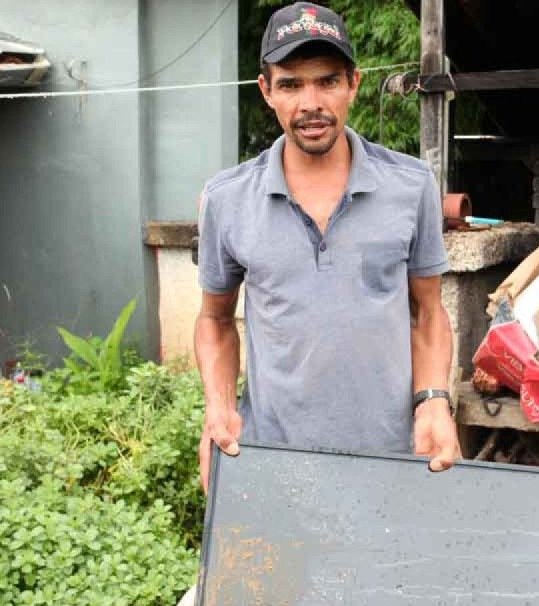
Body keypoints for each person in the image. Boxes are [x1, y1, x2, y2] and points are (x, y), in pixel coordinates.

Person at [194, 1, 461, 488]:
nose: (310, 103)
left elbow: (427, 313)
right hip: (271, 460)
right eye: (291, 84)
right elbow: (214, 321)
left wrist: (434, 402)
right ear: (266, 91)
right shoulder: (227, 200)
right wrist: (218, 409)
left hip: (392, 460)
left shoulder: (411, 186)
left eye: (327, 81)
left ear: (353, 85)